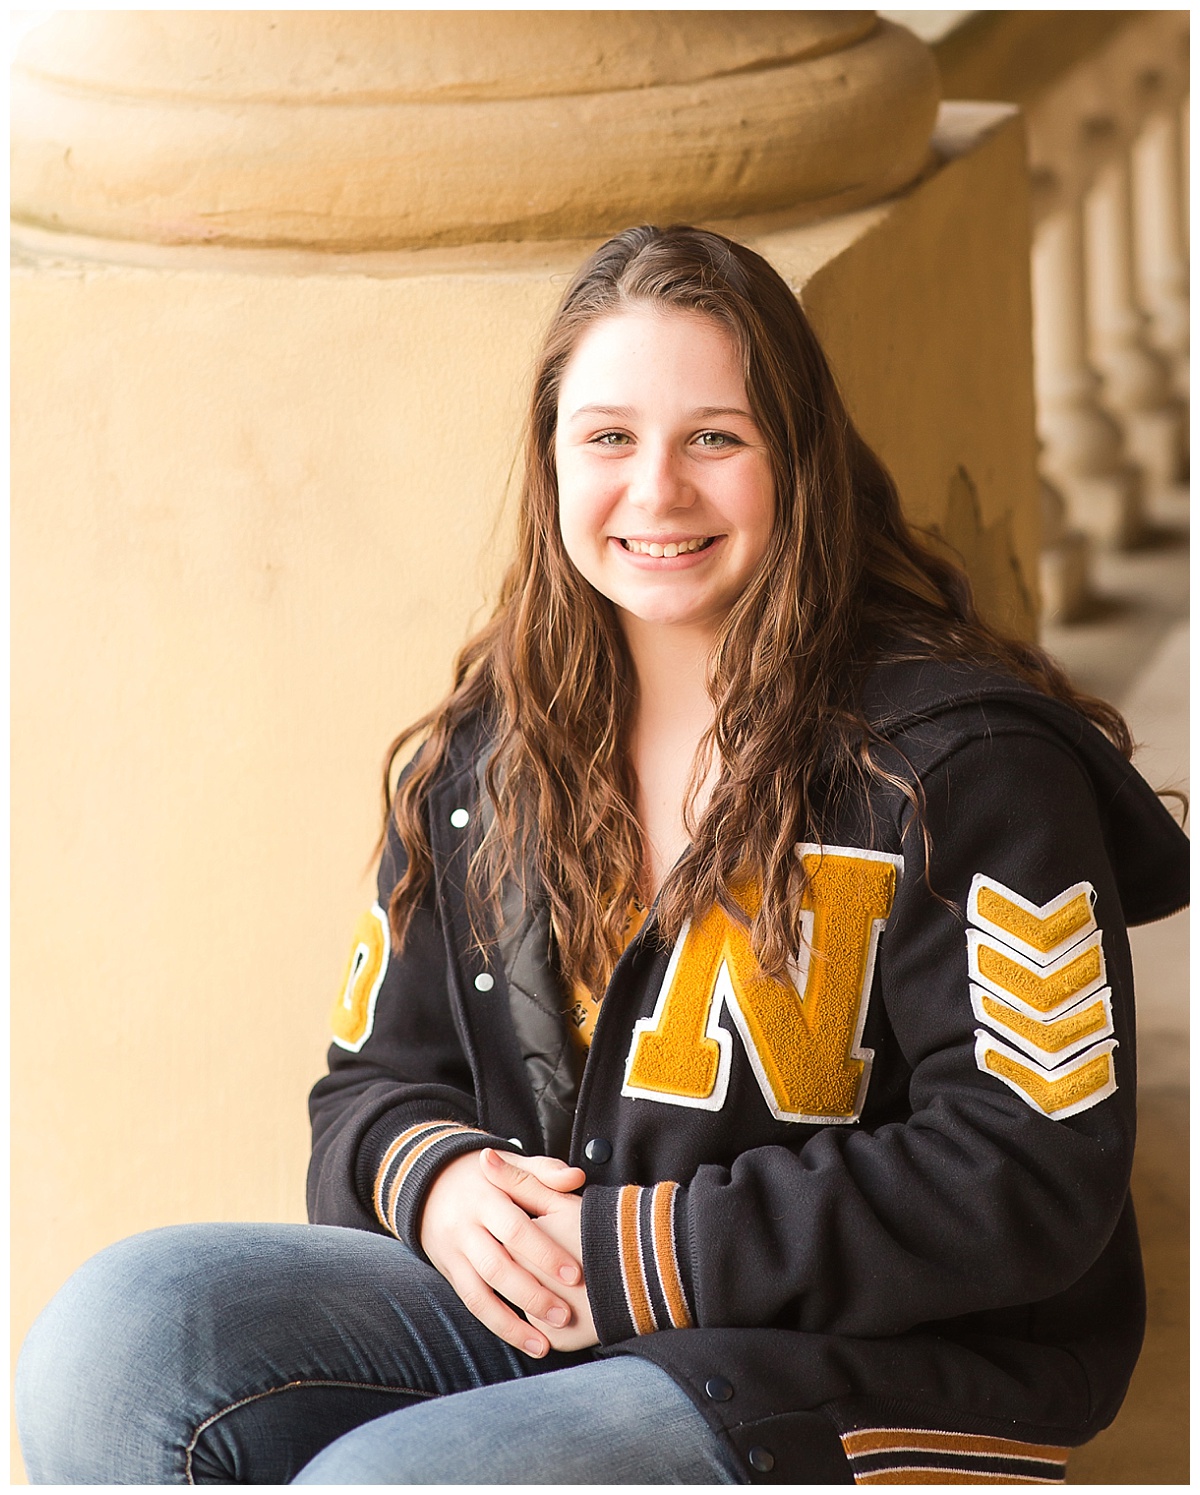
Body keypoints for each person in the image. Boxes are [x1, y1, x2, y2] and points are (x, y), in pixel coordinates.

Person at [16, 224, 1188, 1485]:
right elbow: (366, 1089)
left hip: (862, 1367)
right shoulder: (492, 755)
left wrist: (637, 1253)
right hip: (572, 1311)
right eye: (611, 437)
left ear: (800, 458)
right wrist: (440, 1185)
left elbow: (1028, 1170)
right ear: (553, 462)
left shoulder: (964, 768)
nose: (658, 490)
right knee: (118, 1340)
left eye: (715, 438)